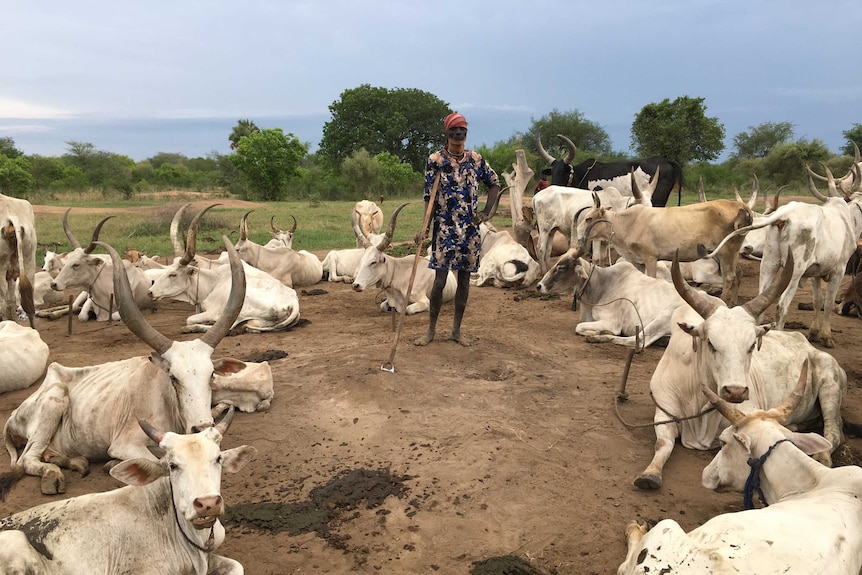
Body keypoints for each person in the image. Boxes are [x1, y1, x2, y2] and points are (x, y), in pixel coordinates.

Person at [414, 112, 501, 347]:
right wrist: (423, 228)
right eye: (454, 130)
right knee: (440, 281)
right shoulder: (436, 160)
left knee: (464, 281)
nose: (458, 134)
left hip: (470, 230)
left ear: (466, 133)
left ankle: (456, 330)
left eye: (462, 130)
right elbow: (428, 198)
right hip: (444, 229)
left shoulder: (475, 159)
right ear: (447, 132)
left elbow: (494, 182)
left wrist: (485, 212)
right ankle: (431, 330)